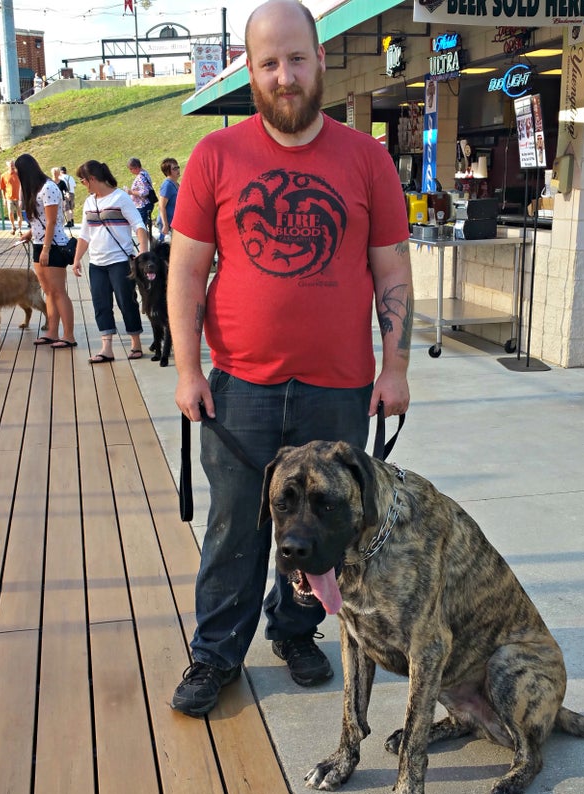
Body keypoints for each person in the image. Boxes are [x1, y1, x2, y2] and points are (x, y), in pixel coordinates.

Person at [167, 0, 413, 717]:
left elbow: (391, 273)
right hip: (239, 386)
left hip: (338, 389)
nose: (284, 75)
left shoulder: (366, 158)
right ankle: (215, 654)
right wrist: (187, 369)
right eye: (268, 62)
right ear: (250, 69)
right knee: (235, 525)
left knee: (324, 527)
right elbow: (186, 272)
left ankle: (296, 629)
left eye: (296, 59)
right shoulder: (217, 155)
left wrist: (394, 367)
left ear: (320, 60)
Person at [72, 160, 148, 363]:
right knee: (101, 304)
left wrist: (143, 251)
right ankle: (106, 348)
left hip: (120, 261)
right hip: (96, 263)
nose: (83, 184)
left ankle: (136, 343)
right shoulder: (89, 202)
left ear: (92, 179)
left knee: (126, 302)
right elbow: (84, 234)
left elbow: (138, 225)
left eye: (83, 181)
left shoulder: (120, 198)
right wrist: (77, 258)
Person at [14, 154, 77, 349]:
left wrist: (46, 249)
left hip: (54, 245)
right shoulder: (33, 189)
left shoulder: (49, 187)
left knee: (58, 291)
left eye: (18, 171)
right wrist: (30, 233)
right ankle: (52, 332)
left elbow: (52, 221)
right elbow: (40, 220)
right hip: (39, 243)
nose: (16, 175)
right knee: (48, 291)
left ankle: (68, 335)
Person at [125, 157, 155, 236]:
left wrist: (130, 192)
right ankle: (151, 241)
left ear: (136, 167)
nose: (130, 171)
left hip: (143, 205)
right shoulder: (144, 173)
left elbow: (145, 192)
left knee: (141, 228)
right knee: (142, 227)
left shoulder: (140, 177)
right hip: (145, 204)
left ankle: (147, 243)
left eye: (131, 169)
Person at [156, 157, 180, 241]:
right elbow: (161, 206)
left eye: (178, 167)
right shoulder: (167, 185)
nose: (178, 170)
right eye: (174, 168)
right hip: (168, 225)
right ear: (167, 171)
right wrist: (165, 225)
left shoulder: (176, 183)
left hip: (175, 223)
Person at [0, 160, 22, 236]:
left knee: (19, 213)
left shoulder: (19, 174)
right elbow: (2, 188)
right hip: (9, 197)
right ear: (7, 166)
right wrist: (4, 199)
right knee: (10, 213)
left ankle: (19, 229)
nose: (12, 166)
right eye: (10, 165)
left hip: (18, 197)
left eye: (13, 164)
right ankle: (13, 226)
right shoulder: (3, 176)